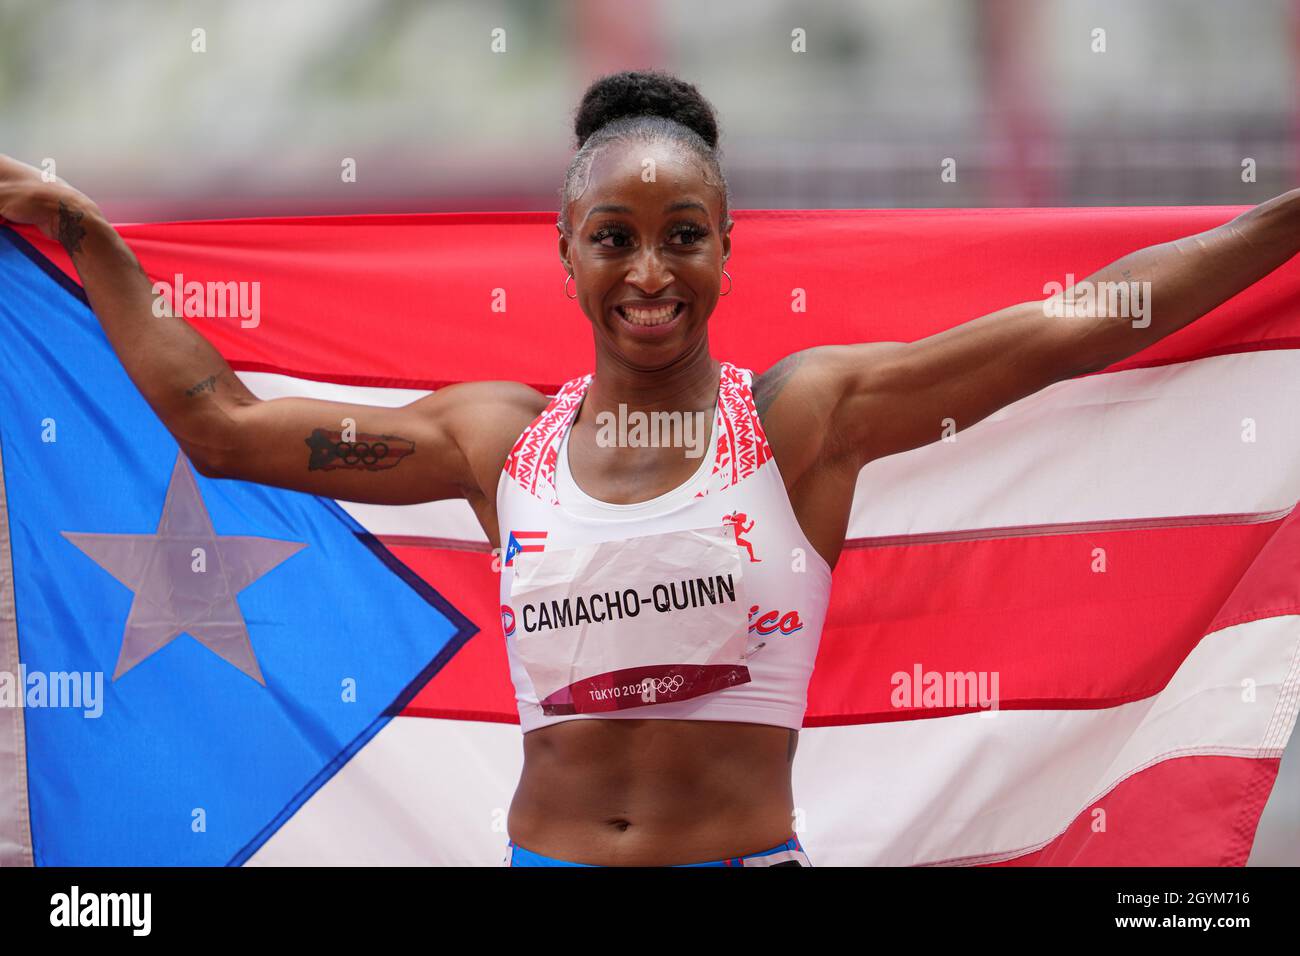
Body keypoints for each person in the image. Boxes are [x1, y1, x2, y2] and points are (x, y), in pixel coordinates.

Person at [1, 69, 1297, 868]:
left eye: (684, 236)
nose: (649, 271)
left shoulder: (807, 421)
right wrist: (88, 241)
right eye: (614, 238)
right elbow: (222, 427)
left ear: (731, 247)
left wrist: (1282, 222)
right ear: (565, 252)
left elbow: (1076, 331)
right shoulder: (492, 442)